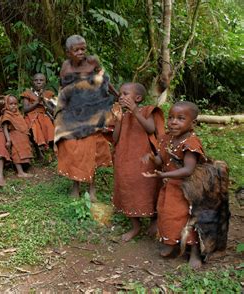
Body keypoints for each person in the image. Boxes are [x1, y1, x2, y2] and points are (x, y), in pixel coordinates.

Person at [143, 101, 205, 269]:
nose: (173, 122)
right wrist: (150, 157)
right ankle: (172, 242)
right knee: (166, 214)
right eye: (170, 118)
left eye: (180, 118)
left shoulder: (190, 143)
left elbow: (188, 170)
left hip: (187, 189)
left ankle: (195, 252)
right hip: (171, 188)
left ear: (192, 123)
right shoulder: (167, 139)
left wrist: (164, 174)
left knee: (188, 219)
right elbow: (161, 160)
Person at [55, 35, 115, 200]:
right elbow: (63, 89)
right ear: (69, 53)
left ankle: (92, 187)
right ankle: (75, 184)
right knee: (73, 147)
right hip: (74, 111)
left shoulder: (93, 62)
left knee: (91, 148)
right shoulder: (65, 67)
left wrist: (115, 96)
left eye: (83, 49)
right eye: (77, 50)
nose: (81, 52)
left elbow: (103, 79)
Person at [112, 82, 165, 242]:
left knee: (149, 188)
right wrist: (119, 120)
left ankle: (154, 220)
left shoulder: (147, 111)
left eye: (125, 94)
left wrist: (134, 110)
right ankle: (135, 226)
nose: (121, 97)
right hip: (125, 159)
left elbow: (150, 129)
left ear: (138, 98)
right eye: (120, 94)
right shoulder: (122, 114)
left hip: (145, 160)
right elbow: (115, 139)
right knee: (127, 187)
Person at [21, 73, 55, 159]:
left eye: (41, 80)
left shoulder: (49, 94)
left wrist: (44, 101)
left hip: (44, 115)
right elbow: (25, 109)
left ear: (45, 82)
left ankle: (49, 150)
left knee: (48, 125)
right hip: (31, 116)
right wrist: (37, 102)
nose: (38, 82)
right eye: (36, 80)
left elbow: (53, 110)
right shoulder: (27, 93)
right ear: (32, 82)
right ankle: (39, 150)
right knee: (35, 125)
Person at [0, 95, 34, 178]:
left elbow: (23, 125)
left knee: (24, 150)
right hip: (14, 137)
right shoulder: (7, 115)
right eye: (11, 104)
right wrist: (8, 140)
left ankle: (24, 168)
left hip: (22, 137)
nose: (14, 106)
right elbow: (5, 129)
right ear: (6, 105)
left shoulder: (18, 114)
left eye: (15, 104)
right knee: (17, 154)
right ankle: (20, 172)